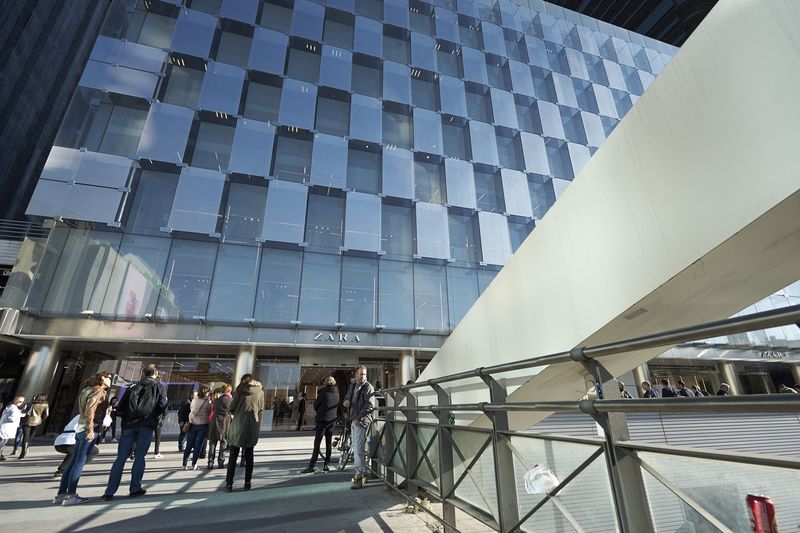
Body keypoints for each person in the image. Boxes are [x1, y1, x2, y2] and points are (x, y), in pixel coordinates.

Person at [102, 364, 168, 501]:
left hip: (129, 425)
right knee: (139, 457)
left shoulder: (133, 386)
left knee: (121, 458)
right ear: (155, 373)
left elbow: (121, 406)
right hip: (147, 424)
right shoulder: (159, 386)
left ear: (144, 373)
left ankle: (109, 491)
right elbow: (163, 406)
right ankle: (135, 488)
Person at [54, 371, 112, 505]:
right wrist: (91, 429)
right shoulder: (98, 391)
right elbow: (90, 411)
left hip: (80, 428)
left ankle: (61, 494)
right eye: (109, 378)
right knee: (79, 461)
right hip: (89, 428)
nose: (110, 380)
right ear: (102, 378)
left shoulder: (86, 389)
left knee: (74, 460)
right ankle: (71, 495)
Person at [225, 374, 265, 492]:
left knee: (233, 456)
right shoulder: (260, 392)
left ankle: (229, 484)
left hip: (238, 425)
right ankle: (247, 483)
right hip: (252, 426)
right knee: (249, 456)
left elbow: (231, 407)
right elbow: (261, 408)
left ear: (243, 381)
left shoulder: (239, 391)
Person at [342, 366, 376, 490]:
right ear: (356, 375)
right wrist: (345, 401)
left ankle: (359, 475)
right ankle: (363, 472)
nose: (363, 377)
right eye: (361, 374)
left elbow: (370, 405)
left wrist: (358, 418)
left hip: (361, 421)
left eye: (365, 374)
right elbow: (347, 397)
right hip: (353, 419)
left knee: (358, 448)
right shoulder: (353, 386)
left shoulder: (368, 387)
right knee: (357, 448)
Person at [301, 376, 340, 474]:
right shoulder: (337, 393)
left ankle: (312, 465)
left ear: (326, 383)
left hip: (322, 420)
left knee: (317, 443)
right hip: (332, 420)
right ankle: (326, 464)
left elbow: (316, 405)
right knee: (328, 442)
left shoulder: (323, 393)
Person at [53, 414, 100, 479]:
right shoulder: (90, 415)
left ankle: (66, 470)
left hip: (61, 442)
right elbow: (106, 422)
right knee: (84, 451)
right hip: (69, 441)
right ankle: (64, 471)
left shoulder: (80, 415)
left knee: (92, 450)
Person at [182, 385, 211, 471]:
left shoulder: (194, 400)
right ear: (206, 392)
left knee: (189, 445)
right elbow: (209, 412)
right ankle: (194, 464)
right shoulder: (207, 402)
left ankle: (184, 464)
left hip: (192, 424)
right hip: (203, 424)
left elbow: (191, 409)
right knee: (198, 445)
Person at [208, 384, 232, 470]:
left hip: (215, 423)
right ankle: (221, 462)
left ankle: (210, 462)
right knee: (223, 442)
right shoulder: (230, 400)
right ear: (229, 391)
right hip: (225, 423)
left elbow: (213, 410)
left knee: (212, 443)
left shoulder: (216, 400)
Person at [18, 393, 48, 458]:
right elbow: (46, 415)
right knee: (32, 435)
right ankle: (27, 446)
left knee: (26, 436)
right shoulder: (45, 405)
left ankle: (23, 451)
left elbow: (24, 411)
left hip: (27, 421)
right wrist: (41, 419)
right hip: (37, 421)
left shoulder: (30, 403)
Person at [0, 396, 25, 460]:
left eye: (22, 401)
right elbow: (11, 418)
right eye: (20, 401)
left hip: (5, 428)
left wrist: (21, 415)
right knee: (2, 442)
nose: (21, 403)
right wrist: (19, 415)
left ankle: (0, 454)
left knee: (3, 442)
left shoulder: (11, 407)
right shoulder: (13, 408)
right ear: (16, 400)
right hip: (6, 428)